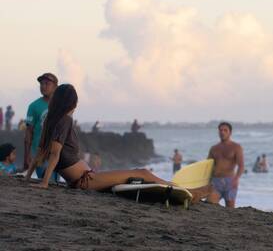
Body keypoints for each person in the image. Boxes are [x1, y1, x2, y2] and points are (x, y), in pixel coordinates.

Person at [25, 84, 175, 190]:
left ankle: (180, 188)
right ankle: (186, 190)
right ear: (71, 103)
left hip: (85, 179)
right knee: (143, 173)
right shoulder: (65, 120)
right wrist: (45, 183)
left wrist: (27, 177)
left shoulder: (51, 121)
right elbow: (54, 154)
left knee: (140, 175)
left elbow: (40, 151)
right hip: (86, 181)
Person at [24, 73, 59, 183]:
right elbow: (29, 132)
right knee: (46, 181)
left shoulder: (61, 105)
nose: (43, 86)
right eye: (41, 84)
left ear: (55, 87)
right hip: (40, 153)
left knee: (56, 184)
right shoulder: (34, 106)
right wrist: (27, 154)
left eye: (47, 83)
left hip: (57, 152)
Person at [207, 122, 244, 208]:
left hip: (230, 182)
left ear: (230, 132)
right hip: (215, 182)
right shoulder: (214, 148)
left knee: (230, 209)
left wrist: (236, 179)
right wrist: (207, 181)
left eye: (225, 130)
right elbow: (208, 166)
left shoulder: (236, 147)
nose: (222, 132)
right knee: (209, 206)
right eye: (220, 130)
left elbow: (241, 166)